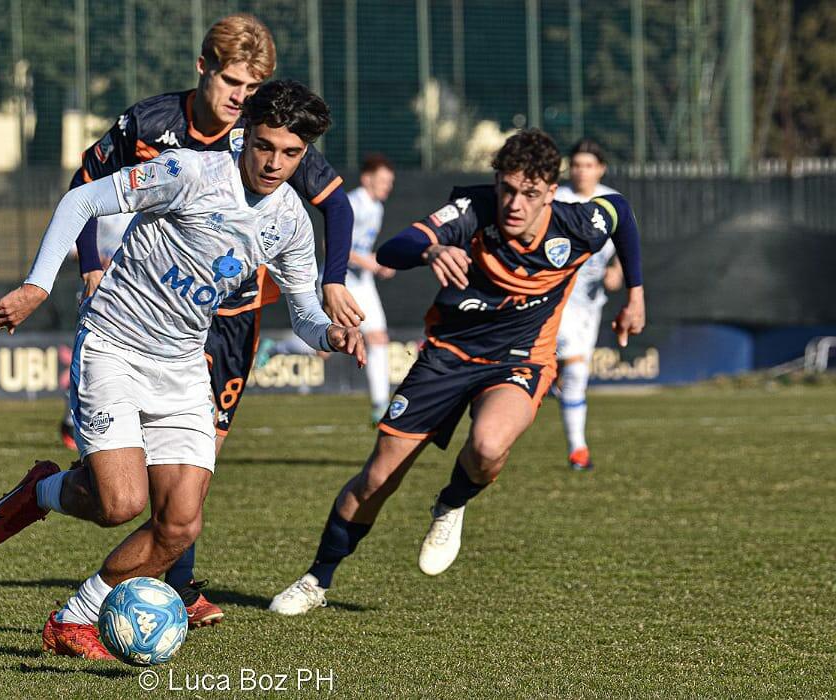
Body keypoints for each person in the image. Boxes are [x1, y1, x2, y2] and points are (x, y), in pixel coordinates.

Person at [0, 80, 365, 659]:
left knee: (181, 525)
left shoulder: (289, 222)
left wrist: (327, 332)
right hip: (114, 345)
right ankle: (45, 491)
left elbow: (305, 308)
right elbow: (81, 200)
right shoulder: (188, 173)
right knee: (120, 504)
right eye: (263, 146)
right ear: (244, 135)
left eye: (290, 153)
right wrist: (37, 285)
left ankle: (76, 618)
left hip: (181, 366)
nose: (274, 163)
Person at [52, 13, 360, 626]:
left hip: (224, 323)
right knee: (122, 500)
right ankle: (68, 509)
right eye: (235, 85)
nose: (243, 99)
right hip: (126, 323)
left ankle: (153, 590)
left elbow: (335, 211)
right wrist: (79, 266)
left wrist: (330, 307)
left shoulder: (285, 158)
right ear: (205, 71)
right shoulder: (167, 136)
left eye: (253, 87)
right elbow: (83, 187)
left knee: (186, 496)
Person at [268, 129, 646, 615]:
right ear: (496, 182)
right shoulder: (472, 210)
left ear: (551, 193)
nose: (514, 203)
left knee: (488, 446)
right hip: (446, 355)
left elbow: (624, 217)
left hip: (520, 357)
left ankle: (450, 502)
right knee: (377, 478)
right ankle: (316, 580)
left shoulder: (581, 222)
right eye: (507, 188)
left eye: (530, 193)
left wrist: (635, 292)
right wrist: (431, 251)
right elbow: (393, 250)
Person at [553, 139, 624, 471]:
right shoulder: (558, 199)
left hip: (591, 306)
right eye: (576, 164)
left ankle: (552, 380)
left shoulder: (612, 202)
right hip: (558, 302)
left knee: (575, 375)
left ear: (601, 168)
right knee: (577, 369)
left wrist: (617, 273)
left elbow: (625, 248)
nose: (581, 171)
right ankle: (578, 449)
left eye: (588, 165)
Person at [345, 154, 397, 421]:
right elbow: (333, 247)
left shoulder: (376, 207)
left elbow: (362, 250)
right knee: (328, 345)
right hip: (341, 280)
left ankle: (380, 406)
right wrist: (373, 265)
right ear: (367, 179)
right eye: (383, 181)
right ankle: (278, 347)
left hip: (361, 280)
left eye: (390, 182)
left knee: (378, 338)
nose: (387, 186)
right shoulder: (354, 203)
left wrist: (381, 261)